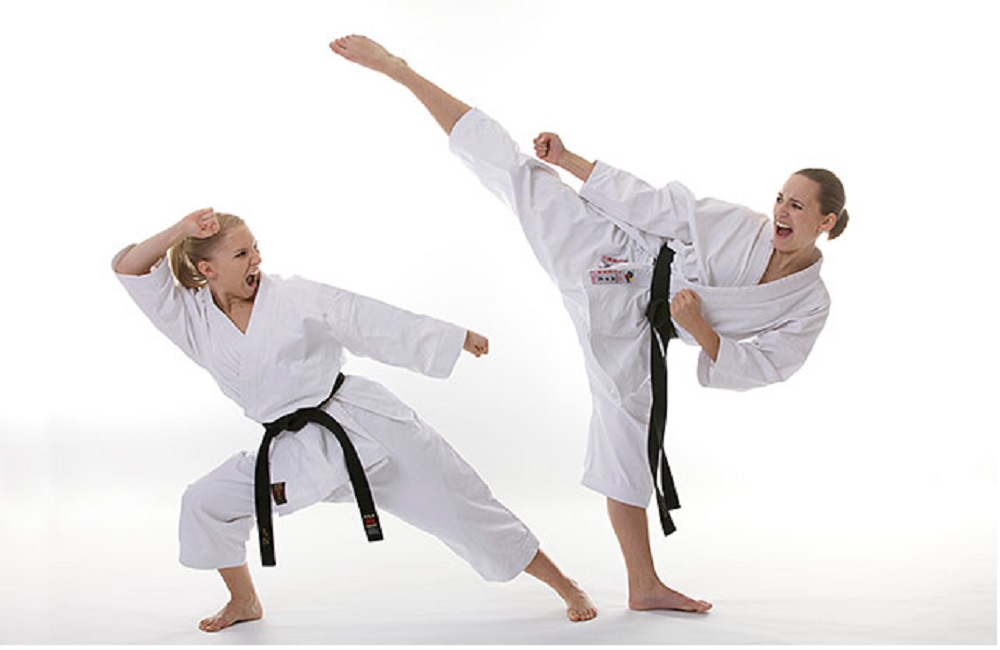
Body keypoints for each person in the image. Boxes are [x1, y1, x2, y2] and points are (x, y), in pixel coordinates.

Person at [330, 34, 849, 614]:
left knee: (627, 442)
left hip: (637, 332)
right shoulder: (743, 226)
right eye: (780, 197)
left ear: (825, 222)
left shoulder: (810, 302)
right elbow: (656, 205)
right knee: (517, 173)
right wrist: (570, 160)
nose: (780, 210)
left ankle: (643, 585)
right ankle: (401, 70)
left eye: (796, 206)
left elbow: (772, 365)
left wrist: (700, 329)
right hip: (612, 254)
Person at [112, 208, 597, 631]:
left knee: (461, 502)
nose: (257, 259)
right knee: (206, 501)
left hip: (367, 429)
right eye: (241, 254)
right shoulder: (191, 316)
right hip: (294, 451)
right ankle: (245, 601)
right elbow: (128, 266)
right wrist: (180, 229)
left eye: (255, 247)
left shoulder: (293, 296)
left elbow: (365, 317)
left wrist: (452, 338)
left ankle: (565, 584)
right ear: (207, 269)